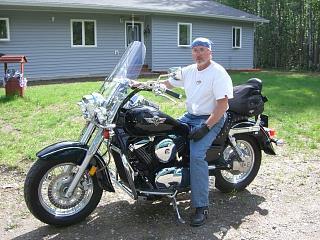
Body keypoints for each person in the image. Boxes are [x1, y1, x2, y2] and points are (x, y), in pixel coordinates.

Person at [162, 37, 234, 226]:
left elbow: (222, 106)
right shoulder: (188, 70)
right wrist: (142, 85)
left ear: (210, 52)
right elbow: (167, 83)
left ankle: (201, 206)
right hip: (190, 116)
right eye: (195, 50)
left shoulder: (218, 73)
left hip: (212, 117)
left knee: (196, 155)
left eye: (202, 49)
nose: (198, 53)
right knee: (165, 137)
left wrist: (205, 127)